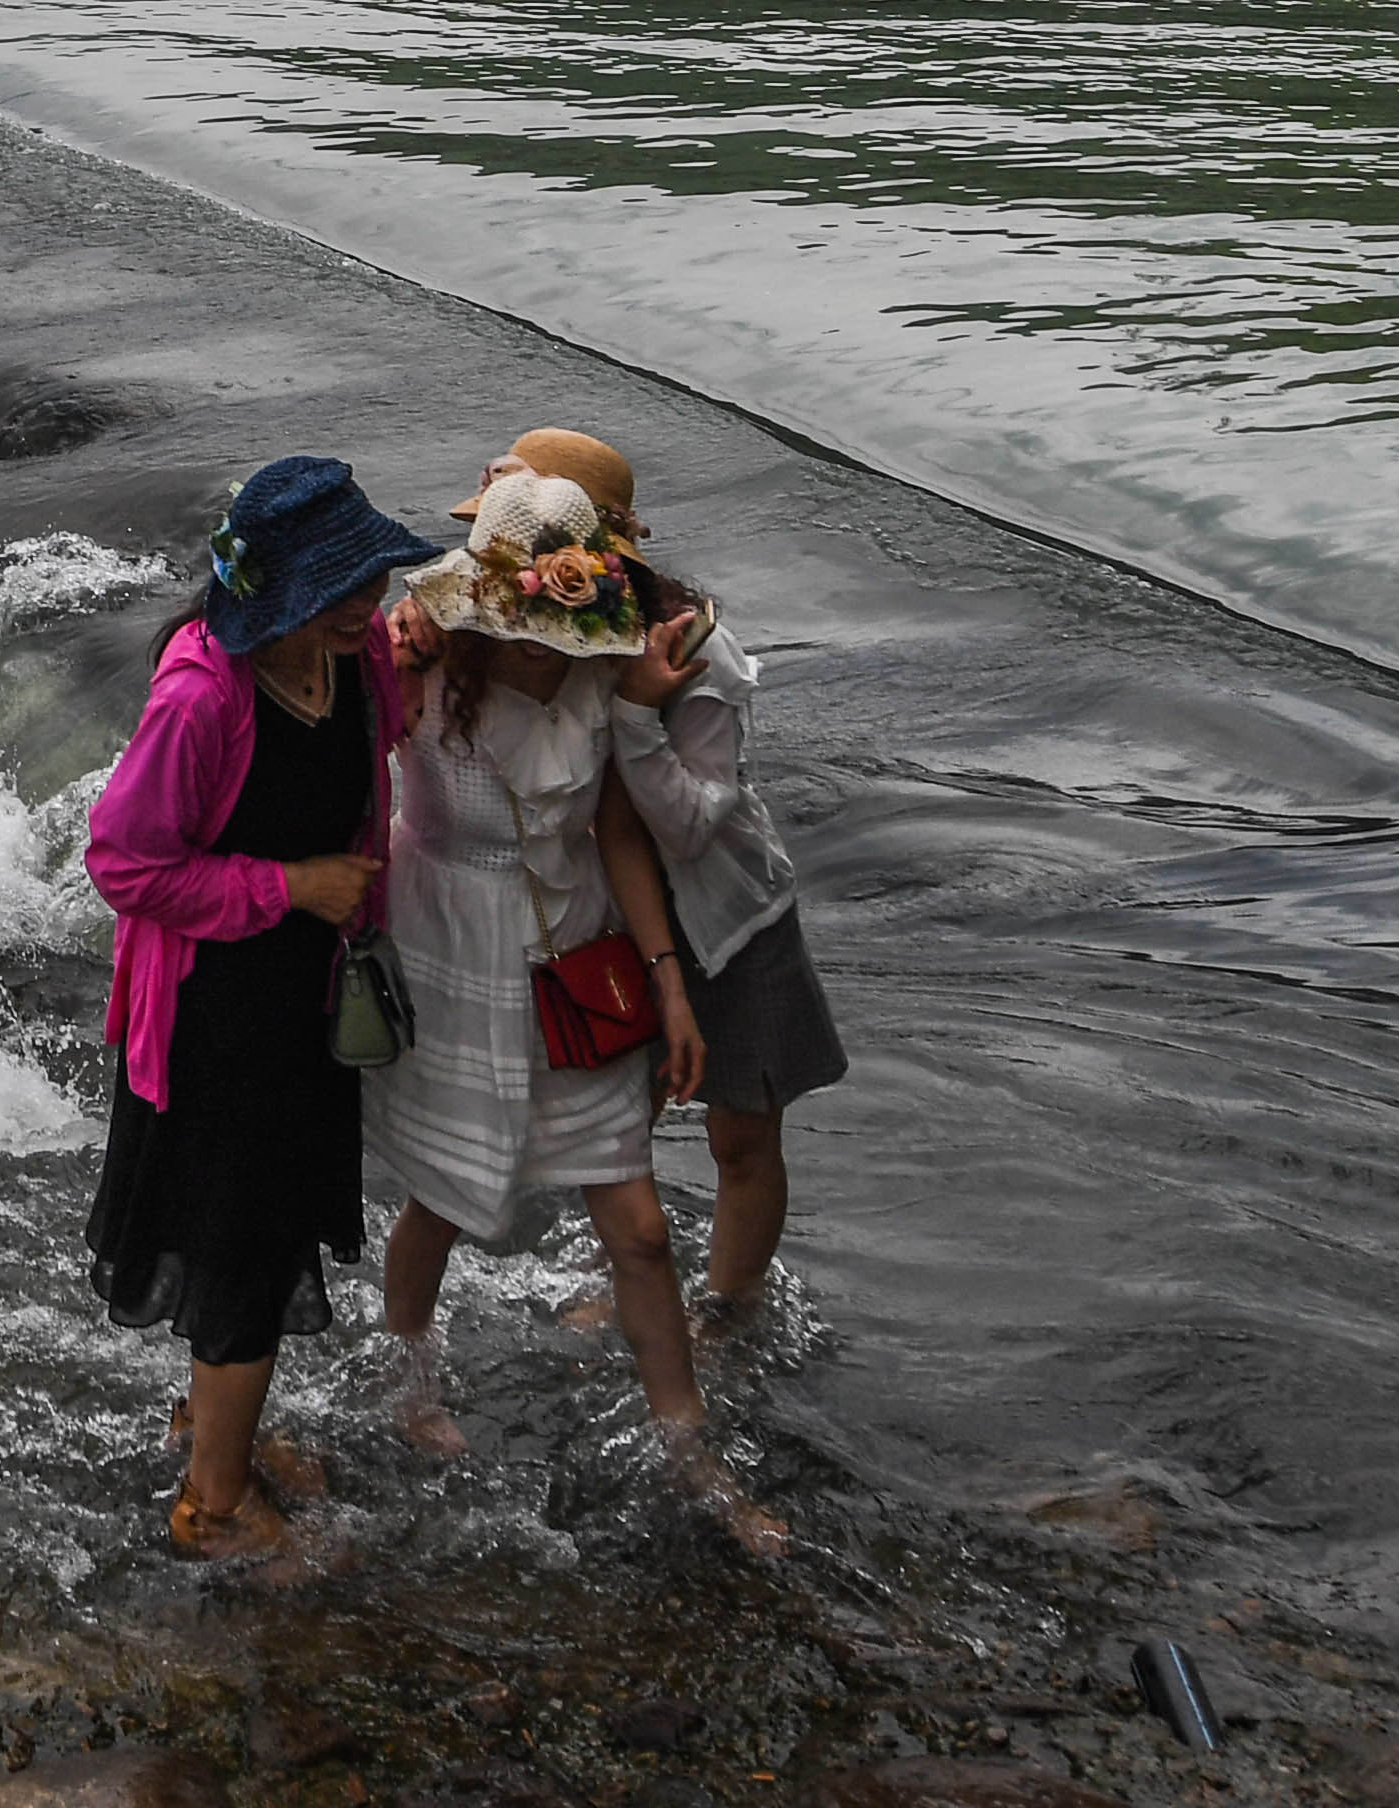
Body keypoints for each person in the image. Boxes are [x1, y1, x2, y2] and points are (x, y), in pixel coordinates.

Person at [364, 465, 781, 1554]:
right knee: (445, 1196)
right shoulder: (415, 657)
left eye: (562, 629)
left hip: (574, 946)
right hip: (448, 937)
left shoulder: (607, 670)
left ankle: (691, 1452)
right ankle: (409, 1377)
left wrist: (671, 982)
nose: (549, 650)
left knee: (640, 1228)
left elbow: (619, 831)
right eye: (528, 630)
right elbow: (340, 774)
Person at [84, 453, 431, 1564]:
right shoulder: (202, 700)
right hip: (215, 1022)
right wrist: (291, 887)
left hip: (303, 1003)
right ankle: (214, 1510)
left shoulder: (355, 654)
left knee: (262, 1236)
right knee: (240, 1254)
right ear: (273, 598)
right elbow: (124, 863)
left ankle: (211, 1436)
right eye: (345, 590)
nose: (370, 608)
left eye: (372, 582)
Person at [505, 425, 849, 1334]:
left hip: (725, 917)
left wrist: (635, 715)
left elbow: (694, 825)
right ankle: (639, 1283)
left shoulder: (694, 649)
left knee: (742, 1128)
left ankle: (728, 1308)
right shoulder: (539, 635)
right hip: (609, 917)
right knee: (618, 1117)